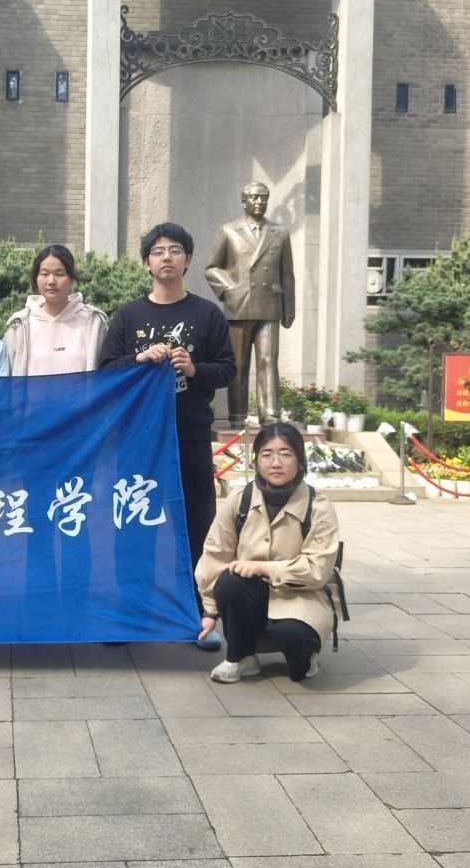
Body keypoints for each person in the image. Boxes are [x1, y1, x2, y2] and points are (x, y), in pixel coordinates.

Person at [100, 222, 236, 650]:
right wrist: (140, 358)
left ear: (188, 260)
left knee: (197, 528)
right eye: (158, 251)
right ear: (146, 262)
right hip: (137, 441)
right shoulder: (129, 316)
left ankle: (200, 617)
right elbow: (104, 370)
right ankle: (128, 615)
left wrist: (194, 368)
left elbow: (228, 369)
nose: (166, 257)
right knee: (132, 529)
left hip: (189, 438)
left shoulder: (207, 314)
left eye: (175, 250)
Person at [196, 422, 340, 683]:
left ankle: (305, 657)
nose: (276, 463)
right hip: (252, 594)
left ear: (300, 461)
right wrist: (210, 612)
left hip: (301, 596)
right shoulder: (239, 499)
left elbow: (317, 571)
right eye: (267, 454)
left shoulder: (318, 507)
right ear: (256, 460)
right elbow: (215, 555)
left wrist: (264, 567)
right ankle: (241, 657)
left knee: (292, 639)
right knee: (229, 581)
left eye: (286, 454)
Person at [204, 181, 296, 426]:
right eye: (254, 197)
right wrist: (229, 289)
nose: (259, 202)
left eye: (263, 197)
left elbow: (287, 274)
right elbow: (212, 268)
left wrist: (290, 307)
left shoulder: (280, 232)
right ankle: (237, 415)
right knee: (239, 363)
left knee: (268, 361)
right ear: (244, 201)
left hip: (270, 306)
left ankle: (270, 414)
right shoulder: (229, 231)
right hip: (239, 305)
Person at [3, 244, 108, 374]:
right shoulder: (20, 325)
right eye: (44, 274)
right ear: (36, 278)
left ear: (72, 278)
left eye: (59, 274)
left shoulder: (93, 323)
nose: (51, 281)